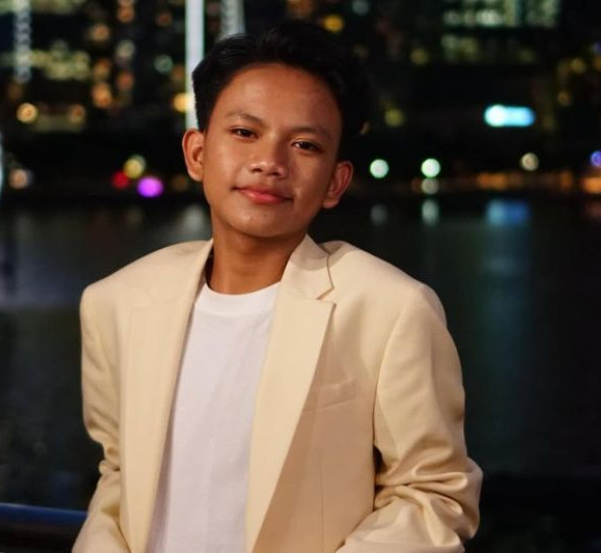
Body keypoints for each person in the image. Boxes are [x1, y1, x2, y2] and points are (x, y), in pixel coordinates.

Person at [73, 20, 481, 553]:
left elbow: (434, 495)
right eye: (245, 133)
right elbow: (119, 474)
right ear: (197, 153)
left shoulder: (389, 309)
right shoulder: (117, 303)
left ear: (335, 181)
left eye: (305, 145)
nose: (270, 162)